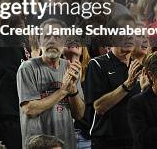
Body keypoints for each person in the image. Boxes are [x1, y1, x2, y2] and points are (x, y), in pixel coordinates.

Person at [17, 19, 84, 149]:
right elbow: (30, 109)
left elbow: (79, 114)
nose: (52, 40)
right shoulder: (27, 68)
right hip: (38, 145)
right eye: (47, 36)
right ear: (39, 41)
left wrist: (73, 91)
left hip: (66, 143)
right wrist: (63, 90)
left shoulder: (70, 68)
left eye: (57, 36)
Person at [85, 16, 142, 149]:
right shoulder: (97, 64)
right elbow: (99, 106)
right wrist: (127, 85)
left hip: (135, 140)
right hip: (107, 142)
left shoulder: (139, 67)